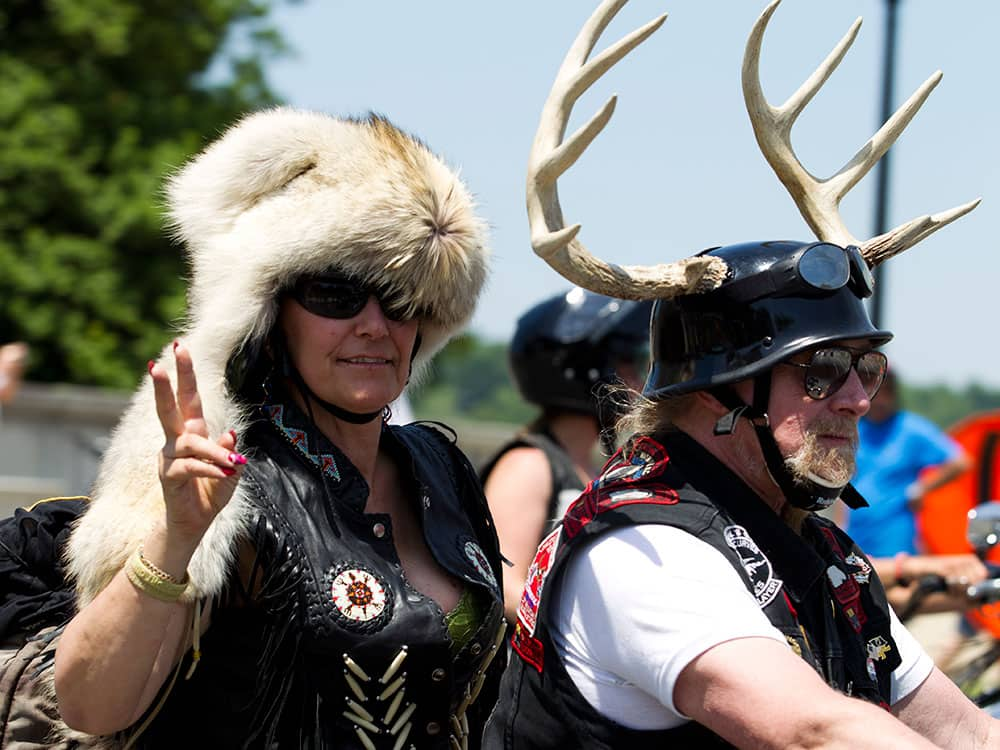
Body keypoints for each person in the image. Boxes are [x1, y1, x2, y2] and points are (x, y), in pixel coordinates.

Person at [485, 1, 995, 747]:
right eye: (820, 372)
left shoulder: (823, 558)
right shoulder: (641, 546)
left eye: (865, 367)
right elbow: (814, 731)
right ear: (718, 394)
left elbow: (969, 734)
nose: (857, 397)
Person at [3, 107, 507, 749]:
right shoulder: (225, 475)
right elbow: (91, 705)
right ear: (272, 311)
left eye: (403, 300)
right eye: (337, 293)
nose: (375, 325)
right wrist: (177, 536)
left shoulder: (439, 465)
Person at [479, 288, 651, 621]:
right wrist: (594, 630)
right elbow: (502, 584)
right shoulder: (529, 465)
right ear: (588, 369)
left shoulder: (591, 467)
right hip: (525, 667)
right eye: (627, 361)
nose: (639, 380)